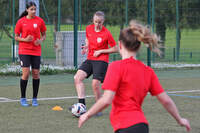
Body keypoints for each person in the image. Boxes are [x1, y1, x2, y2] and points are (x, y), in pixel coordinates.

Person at [78, 20, 191, 133]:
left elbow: (106, 100)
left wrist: (87, 115)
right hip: (142, 126)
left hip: (125, 127)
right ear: (139, 46)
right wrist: (180, 120)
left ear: (120, 45)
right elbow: (166, 101)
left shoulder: (116, 67)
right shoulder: (148, 71)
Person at [73, 11, 118, 115]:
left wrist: (101, 51)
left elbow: (116, 48)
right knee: (77, 78)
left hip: (101, 60)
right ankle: (82, 106)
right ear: (93, 21)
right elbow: (88, 38)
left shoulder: (106, 33)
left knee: (95, 84)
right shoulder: (88, 28)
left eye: (100, 22)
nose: (97, 24)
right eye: (96, 22)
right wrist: (86, 46)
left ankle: (99, 107)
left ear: (103, 21)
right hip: (90, 59)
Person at [14, 1, 46, 107]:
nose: (33, 11)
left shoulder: (40, 21)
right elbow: (16, 37)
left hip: (36, 51)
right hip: (24, 50)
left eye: (35, 9)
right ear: (27, 10)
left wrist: (40, 41)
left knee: (36, 73)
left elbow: (44, 34)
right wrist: (25, 39)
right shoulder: (21, 21)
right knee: (26, 73)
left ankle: (35, 99)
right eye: (31, 9)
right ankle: (23, 98)